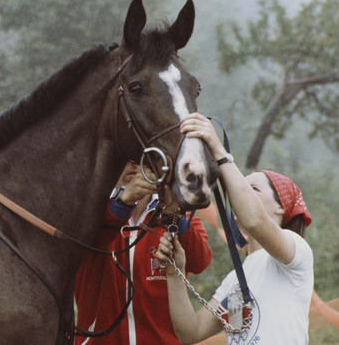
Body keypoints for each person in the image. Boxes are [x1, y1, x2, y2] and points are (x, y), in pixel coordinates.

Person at [155, 112, 314, 344]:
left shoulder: (295, 252)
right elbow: (191, 332)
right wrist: (174, 272)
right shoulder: (235, 279)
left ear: (281, 208)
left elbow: (255, 221)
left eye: (254, 190)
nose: (240, 198)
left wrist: (219, 152)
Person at [74, 162, 212, 344]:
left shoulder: (177, 212)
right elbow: (81, 250)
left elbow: (200, 261)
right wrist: (123, 202)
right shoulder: (87, 211)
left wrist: (174, 213)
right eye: (125, 156)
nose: (133, 162)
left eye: (140, 155)